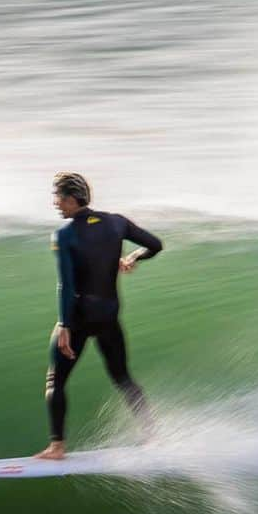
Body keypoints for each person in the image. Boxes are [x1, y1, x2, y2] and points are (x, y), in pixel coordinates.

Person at [35, 172, 163, 460]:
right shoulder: (116, 222)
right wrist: (132, 258)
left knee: (56, 382)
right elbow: (155, 245)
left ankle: (57, 447)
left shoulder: (64, 235)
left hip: (80, 316)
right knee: (123, 377)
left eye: (57, 197)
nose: (55, 203)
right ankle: (153, 436)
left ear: (70, 199)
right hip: (108, 314)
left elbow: (66, 284)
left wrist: (65, 325)